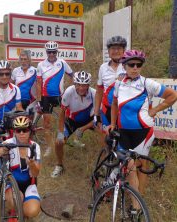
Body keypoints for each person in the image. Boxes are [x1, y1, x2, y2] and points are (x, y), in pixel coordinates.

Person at [108, 50, 177, 208]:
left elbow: (172, 95)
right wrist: (112, 123)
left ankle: (138, 203)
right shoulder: (119, 83)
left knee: (140, 165)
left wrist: (154, 110)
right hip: (124, 132)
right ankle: (136, 201)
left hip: (143, 133)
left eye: (138, 65)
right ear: (124, 66)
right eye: (131, 64)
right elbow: (113, 104)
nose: (135, 67)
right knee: (130, 166)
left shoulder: (147, 83)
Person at [0, 115, 41, 220]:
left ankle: (20, 212)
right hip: (11, 184)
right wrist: (3, 150)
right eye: (18, 130)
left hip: (28, 184)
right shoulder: (9, 142)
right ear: (14, 132)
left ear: (30, 131)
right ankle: (13, 211)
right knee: (17, 199)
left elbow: (35, 174)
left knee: (32, 211)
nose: (21, 133)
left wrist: (31, 164)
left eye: (24, 130)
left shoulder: (35, 146)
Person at [51, 71, 96, 178]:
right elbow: (62, 114)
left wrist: (83, 129)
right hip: (72, 120)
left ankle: (104, 162)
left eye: (84, 85)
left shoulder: (94, 93)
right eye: (78, 84)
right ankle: (59, 165)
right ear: (75, 84)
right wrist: (61, 133)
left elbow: (97, 117)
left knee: (104, 133)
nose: (81, 88)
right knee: (59, 142)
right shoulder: (69, 92)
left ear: (88, 85)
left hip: (89, 120)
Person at [36, 41, 73, 156]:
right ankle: (49, 147)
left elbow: (72, 75)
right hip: (46, 97)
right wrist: (38, 101)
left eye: (53, 52)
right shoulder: (41, 65)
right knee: (47, 123)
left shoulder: (62, 63)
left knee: (68, 119)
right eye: (49, 52)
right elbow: (38, 83)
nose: (51, 54)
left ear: (57, 52)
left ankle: (68, 140)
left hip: (60, 96)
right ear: (46, 52)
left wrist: (73, 91)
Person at [94, 36, 127, 133]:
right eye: (113, 48)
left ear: (123, 50)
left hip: (123, 111)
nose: (116, 51)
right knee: (106, 140)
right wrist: (96, 114)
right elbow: (99, 91)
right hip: (106, 110)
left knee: (122, 141)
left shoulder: (129, 66)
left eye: (119, 48)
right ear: (108, 51)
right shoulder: (103, 68)